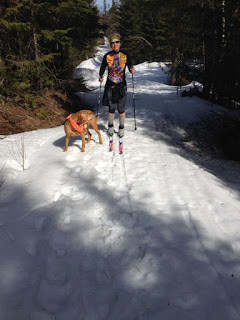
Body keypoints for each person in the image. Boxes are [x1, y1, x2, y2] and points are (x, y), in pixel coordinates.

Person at [99, 34, 135, 138]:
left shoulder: (125, 54)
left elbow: (130, 66)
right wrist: (100, 76)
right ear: (110, 45)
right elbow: (102, 67)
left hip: (121, 85)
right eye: (113, 43)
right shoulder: (107, 55)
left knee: (121, 108)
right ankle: (110, 127)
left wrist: (132, 69)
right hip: (110, 85)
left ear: (120, 43)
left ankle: (121, 128)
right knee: (111, 107)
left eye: (117, 42)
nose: (115, 44)